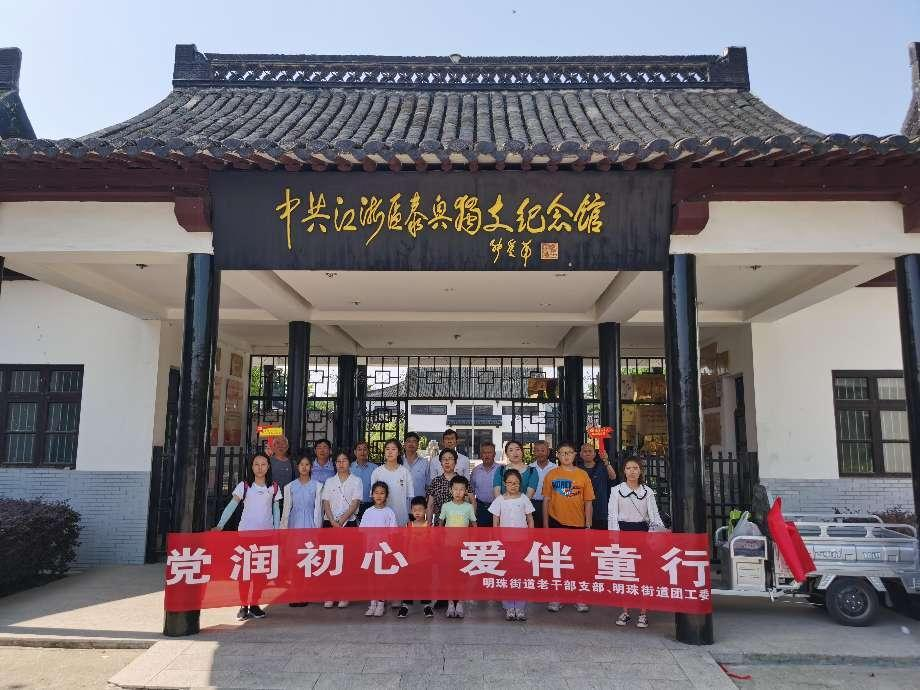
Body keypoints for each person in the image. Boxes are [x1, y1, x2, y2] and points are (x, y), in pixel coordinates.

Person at [212, 453, 280, 621]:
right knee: (245, 571)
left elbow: (276, 510)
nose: (260, 468)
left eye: (263, 464)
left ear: (268, 467)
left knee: (260, 573)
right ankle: (243, 605)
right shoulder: (244, 486)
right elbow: (232, 505)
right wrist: (220, 525)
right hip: (246, 535)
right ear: (251, 467)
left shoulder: (273, 487)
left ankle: (255, 604)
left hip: (266, 535)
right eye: (256, 464)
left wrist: (278, 530)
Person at [609, 457, 665, 629]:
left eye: (635, 468)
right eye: (628, 468)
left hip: (643, 535)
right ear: (624, 471)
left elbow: (654, 516)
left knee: (644, 575)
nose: (632, 471)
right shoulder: (616, 490)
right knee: (625, 575)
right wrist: (614, 540)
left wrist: (654, 538)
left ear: (640, 471)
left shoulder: (647, 491)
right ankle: (625, 611)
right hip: (623, 534)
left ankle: (643, 613)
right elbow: (612, 516)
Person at [542, 440, 595, 613]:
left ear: (574, 455)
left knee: (578, 563)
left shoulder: (582, 475)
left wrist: (588, 525)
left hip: (578, 525)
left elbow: (588, 502)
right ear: (557, 455)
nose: (566, 456)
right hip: (556, 523)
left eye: (569, 453)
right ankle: (557, 596)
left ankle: (578, 597)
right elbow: (546, 501)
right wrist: (546, 526)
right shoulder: (551, 475)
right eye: (562, 453)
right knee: (557, 563)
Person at [489, 468, 535, 621]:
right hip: (505, 542)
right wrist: (497, 540)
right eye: (509, 483)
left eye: (516, 483)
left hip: (522, 542)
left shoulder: (524, 499)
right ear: (504, 484)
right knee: (507, 573)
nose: (513, 485)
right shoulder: (499, 500)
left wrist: (531, 537)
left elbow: (530, 519)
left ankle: (520, 607)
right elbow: (495, 522)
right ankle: (509, 606)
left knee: (521, 573)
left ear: (520, 484)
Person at [280, 454, 324, 608]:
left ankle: (305, 592)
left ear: (311, 467)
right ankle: (294, 592)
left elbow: (319, 509)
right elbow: (286, 509)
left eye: (307, 464)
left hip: (310, 524)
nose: (304, 467)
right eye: (301, 465)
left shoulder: (318, 486)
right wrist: (283, 529)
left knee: (308, 558)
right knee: (294, 560)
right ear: (297, 467)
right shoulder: (290, 487)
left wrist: (318, 529)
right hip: (295, 524)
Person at [320, 450, 362, 609]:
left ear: (349, 463)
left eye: (344, 460)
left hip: (348, 523)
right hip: (330, 523)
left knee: (347, 560)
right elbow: (326, 502)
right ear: (334, 464)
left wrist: (342, 520)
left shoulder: (356, 481)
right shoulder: (329, 481)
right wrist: (332, 521)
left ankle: (345, 594)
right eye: (338, 461)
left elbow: (355, 503)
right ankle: (330, 593)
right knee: (330, 559)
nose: (341, 463)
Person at [438, 475, 476, 618]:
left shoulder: (468, 507)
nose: (458, 492)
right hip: (448, 547)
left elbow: (474, 525)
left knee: (462, 575)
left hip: (463, 548)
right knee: (449, 575)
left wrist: (472, 542)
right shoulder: (446, 506)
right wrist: (440, 540)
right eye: (455, 489)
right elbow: (440, 523)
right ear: (450, 490)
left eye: (461, 489)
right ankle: (450, 603)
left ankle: (459, 602)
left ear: (466, 491)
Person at [361, 481, 398, 617]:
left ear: (386, 496)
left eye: (382, 493)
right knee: (371, 577)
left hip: (384, 551)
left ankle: (381, 603)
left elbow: (393, 533)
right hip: (370, 550)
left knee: (382, 577)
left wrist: (389, 551)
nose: (379, 495)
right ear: (372, 494)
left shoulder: (389, 512)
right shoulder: (368, 512)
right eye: (376, 493)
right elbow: (362, 532)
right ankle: (372, 603)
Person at [399, 497, 434, 619]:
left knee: (425, 583)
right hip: (410, 560)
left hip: (425, 560)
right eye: (415, 510)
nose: (417, 512)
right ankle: (405, 605)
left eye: (420, 509)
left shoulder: (429, 526)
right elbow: (404, 543)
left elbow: (433, 543)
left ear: (425, 510)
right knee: (408, 583)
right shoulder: (408, 525)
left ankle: (426, 605)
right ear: (411, 511)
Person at [371, 439, 414, 526]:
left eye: (393, 449)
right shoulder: (377, 472)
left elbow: (409, 497)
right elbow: (374, 497)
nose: (390, 452)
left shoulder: (405, 472)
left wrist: (410, 518)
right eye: (387, 449)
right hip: (382, 519)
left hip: (400, 518)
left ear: (399, 452)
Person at [577, 442, 616, 530]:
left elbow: (613, 477)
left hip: (601, 510)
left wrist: (606, 461)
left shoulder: (602, 467)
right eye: (585, 451)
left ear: (595, 454)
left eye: (590, 451)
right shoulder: (577, 470)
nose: (587, 453)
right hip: (582, 511)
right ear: (580, 454)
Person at [469, 441, 501, 526]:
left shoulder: (501, 469)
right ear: (481, 455)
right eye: (484, 452)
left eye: (489, 452)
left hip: (497, 507)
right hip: (480, 508)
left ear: (494, 454)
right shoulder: (475, 471)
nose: (487, 455)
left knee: (497, 533)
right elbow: (471, 492)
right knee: (480, 533)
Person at [426, 448, 460, 526]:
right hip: (439, 524)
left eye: (450, 459)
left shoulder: (462, 481)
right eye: (444, 459)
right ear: (441, 463)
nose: (447, 462)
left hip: (459, 523)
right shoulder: (435, 481)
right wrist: (429, 523)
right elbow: (430, 505)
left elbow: (468, 503)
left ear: (455, 462)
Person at [350, 441, 377, 520]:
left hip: (370, 505)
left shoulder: (375, 468)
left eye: (365, 449)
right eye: (359, 449)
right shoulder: (349, 468)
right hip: (351, 505)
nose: (362, 452)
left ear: (368, 451)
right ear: (355, 452)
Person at [530, 440, 557, 518]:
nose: (540, 453)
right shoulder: (530, 468)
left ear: (548, 452)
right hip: (533, 503)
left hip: (551, 503)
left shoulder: (555, 468)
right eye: (537, 451)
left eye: (543, 450)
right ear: (534, 452)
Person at [402, 432, 430, 500]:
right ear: (404, 444)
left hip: (419, 503)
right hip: (401, 503)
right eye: (408, 441)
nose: (411, 444)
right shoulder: (398, 462)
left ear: (418, 445)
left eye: (414, 441)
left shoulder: (425, 463)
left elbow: (428, 486)